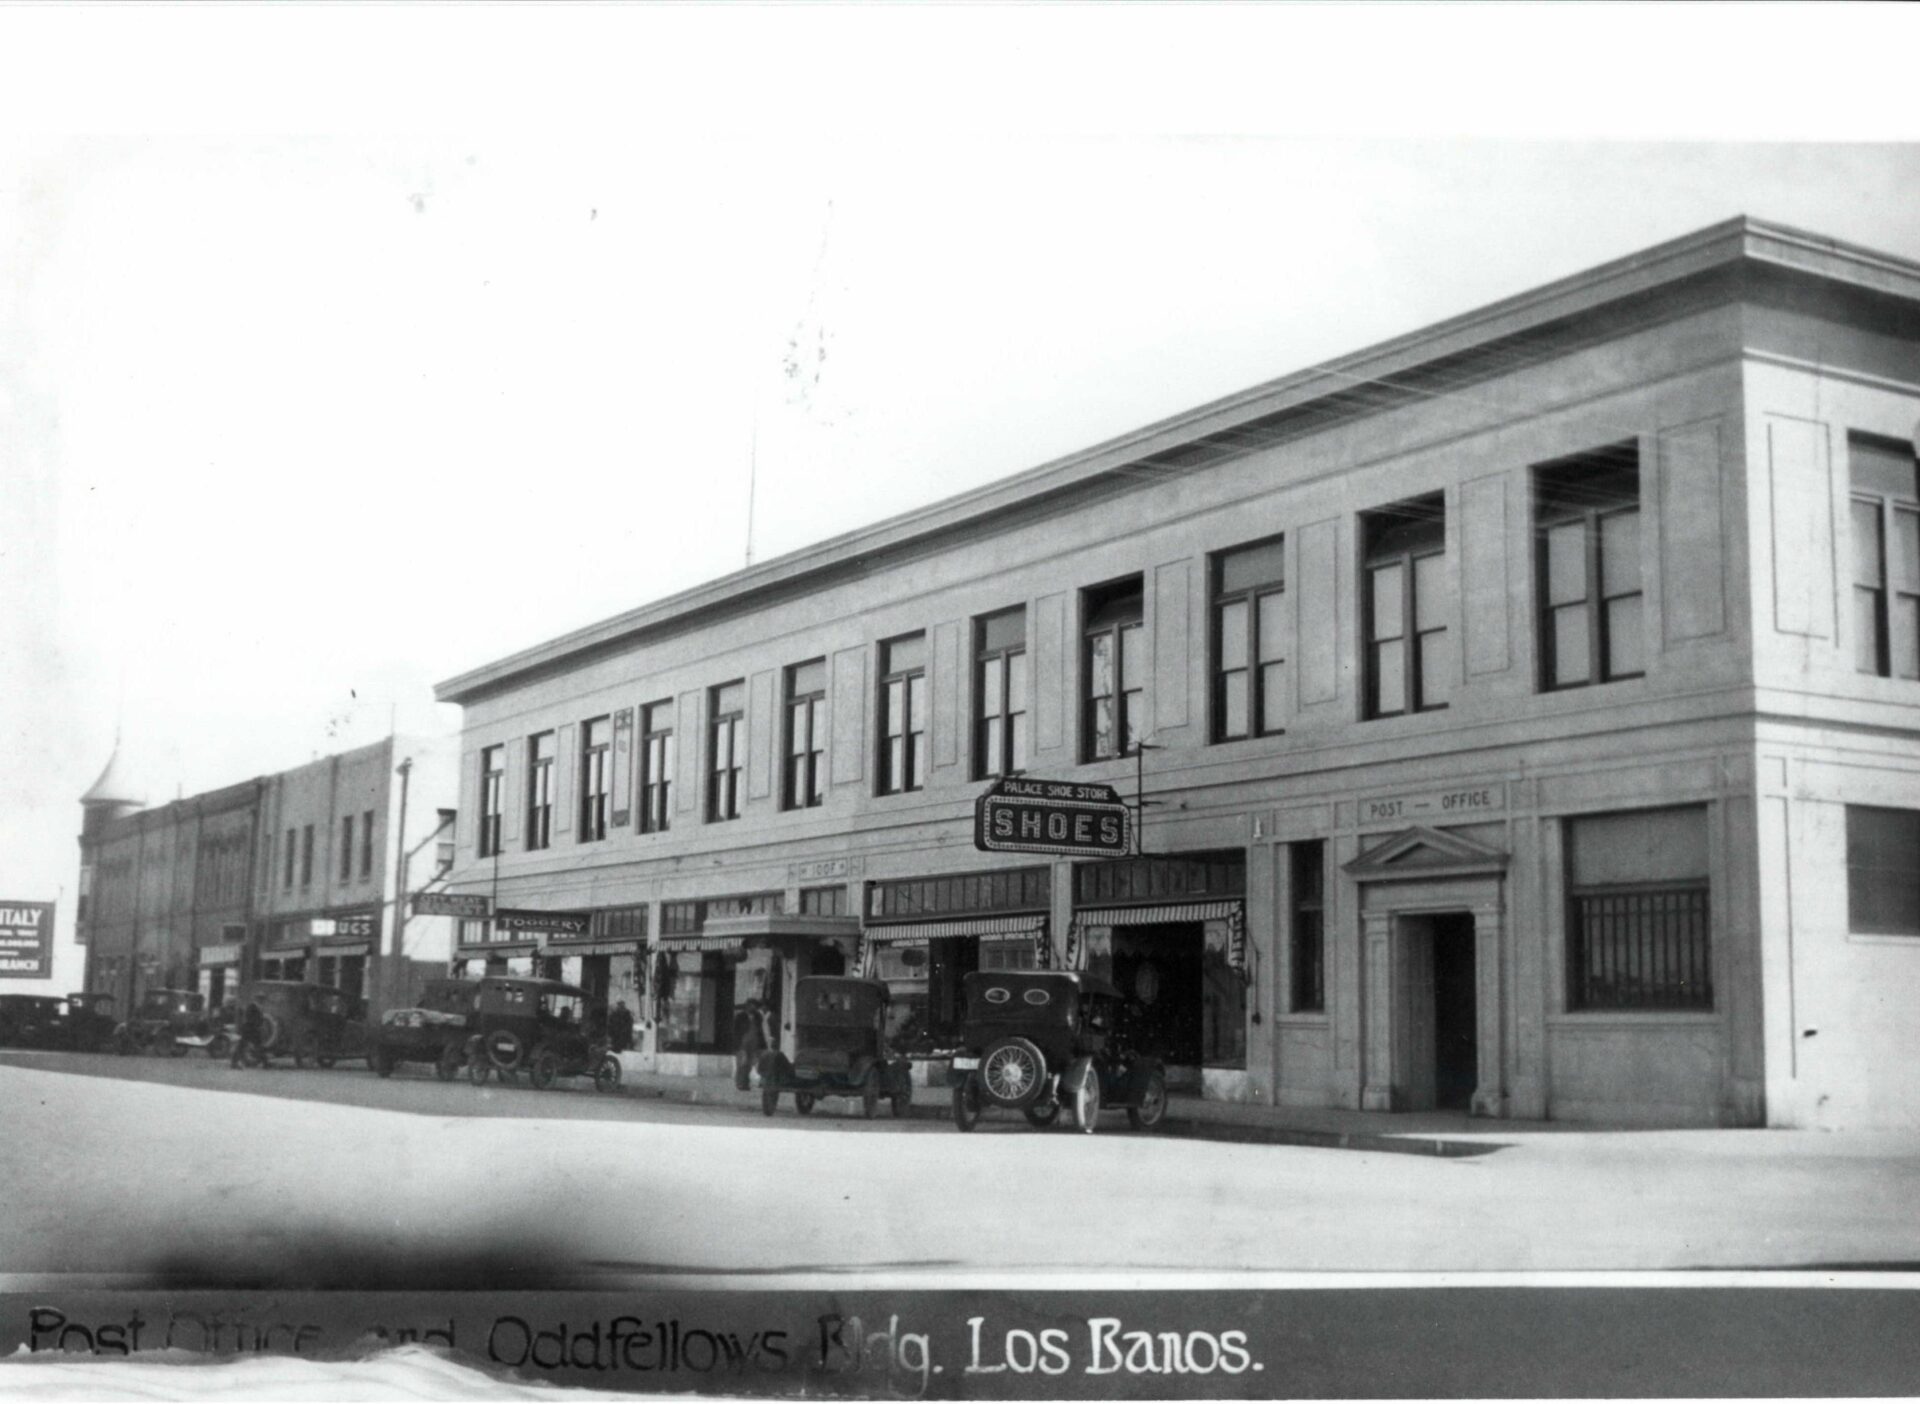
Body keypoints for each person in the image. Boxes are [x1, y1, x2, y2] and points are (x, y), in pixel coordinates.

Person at [733, 997, 766, 1091]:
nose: (754, 1008)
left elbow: (760, 1031)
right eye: (753, 1006)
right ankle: (740, 1083)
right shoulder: (740, 1016)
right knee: (742, 1063)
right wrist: (737, 1045)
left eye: (755, 1006)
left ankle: (745, 1083)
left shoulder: (758, 1016)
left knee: (750, 1064)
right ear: (748, 1006)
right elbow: (736, 1031)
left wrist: (761, 1044)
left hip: (754, 1043)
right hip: (743, 1043)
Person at [230, 998, 265, 1069]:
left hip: (252, 1029)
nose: (262, 1000)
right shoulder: (251, 1007)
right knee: (242, 1046)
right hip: (249, 1029)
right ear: (257, 999)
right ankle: (234, 1063)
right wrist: (256, 1025)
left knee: (257, 1045)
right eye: (261, 999)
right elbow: (250, 1018)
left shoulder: (257, 1007)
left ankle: (264, 1062)